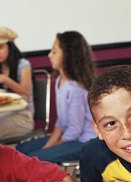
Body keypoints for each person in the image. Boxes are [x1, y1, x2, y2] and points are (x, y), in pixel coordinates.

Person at [16, 31, 96, 163]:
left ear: (67, 55)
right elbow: (60, 122)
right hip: (69, 136)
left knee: (35, 158)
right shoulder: (59, 80)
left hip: (84, 141)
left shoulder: (75, 88)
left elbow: (75, 131)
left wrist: (48, 148)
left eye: (54, 51)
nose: (49, 55)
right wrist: (48, 145)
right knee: (21, 149)